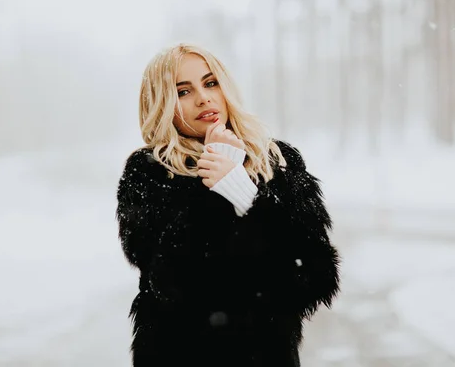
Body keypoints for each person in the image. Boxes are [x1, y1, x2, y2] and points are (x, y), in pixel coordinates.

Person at [115, 43, 340, 367]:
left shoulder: (276, 160)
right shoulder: (148, 171)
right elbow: (169, 281)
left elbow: (316, 276)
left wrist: (244, 193)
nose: (204, 98)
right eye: (183, 91)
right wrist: (214, 193)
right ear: (162, 102)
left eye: (210, 83)